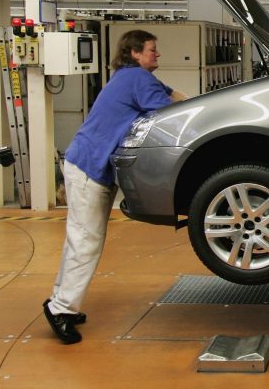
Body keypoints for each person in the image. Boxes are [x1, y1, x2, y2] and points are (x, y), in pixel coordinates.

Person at [43, 30, 186, 344]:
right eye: (152, 50)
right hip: (89, 166)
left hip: (87, 163)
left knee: (79, 238)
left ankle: (61, 300)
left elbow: (174, 95)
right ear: (135, 52)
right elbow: (169, 116)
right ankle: (61, 309)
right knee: (86, 241)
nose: (157, 55)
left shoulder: (130, 76)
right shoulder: (138, 79)